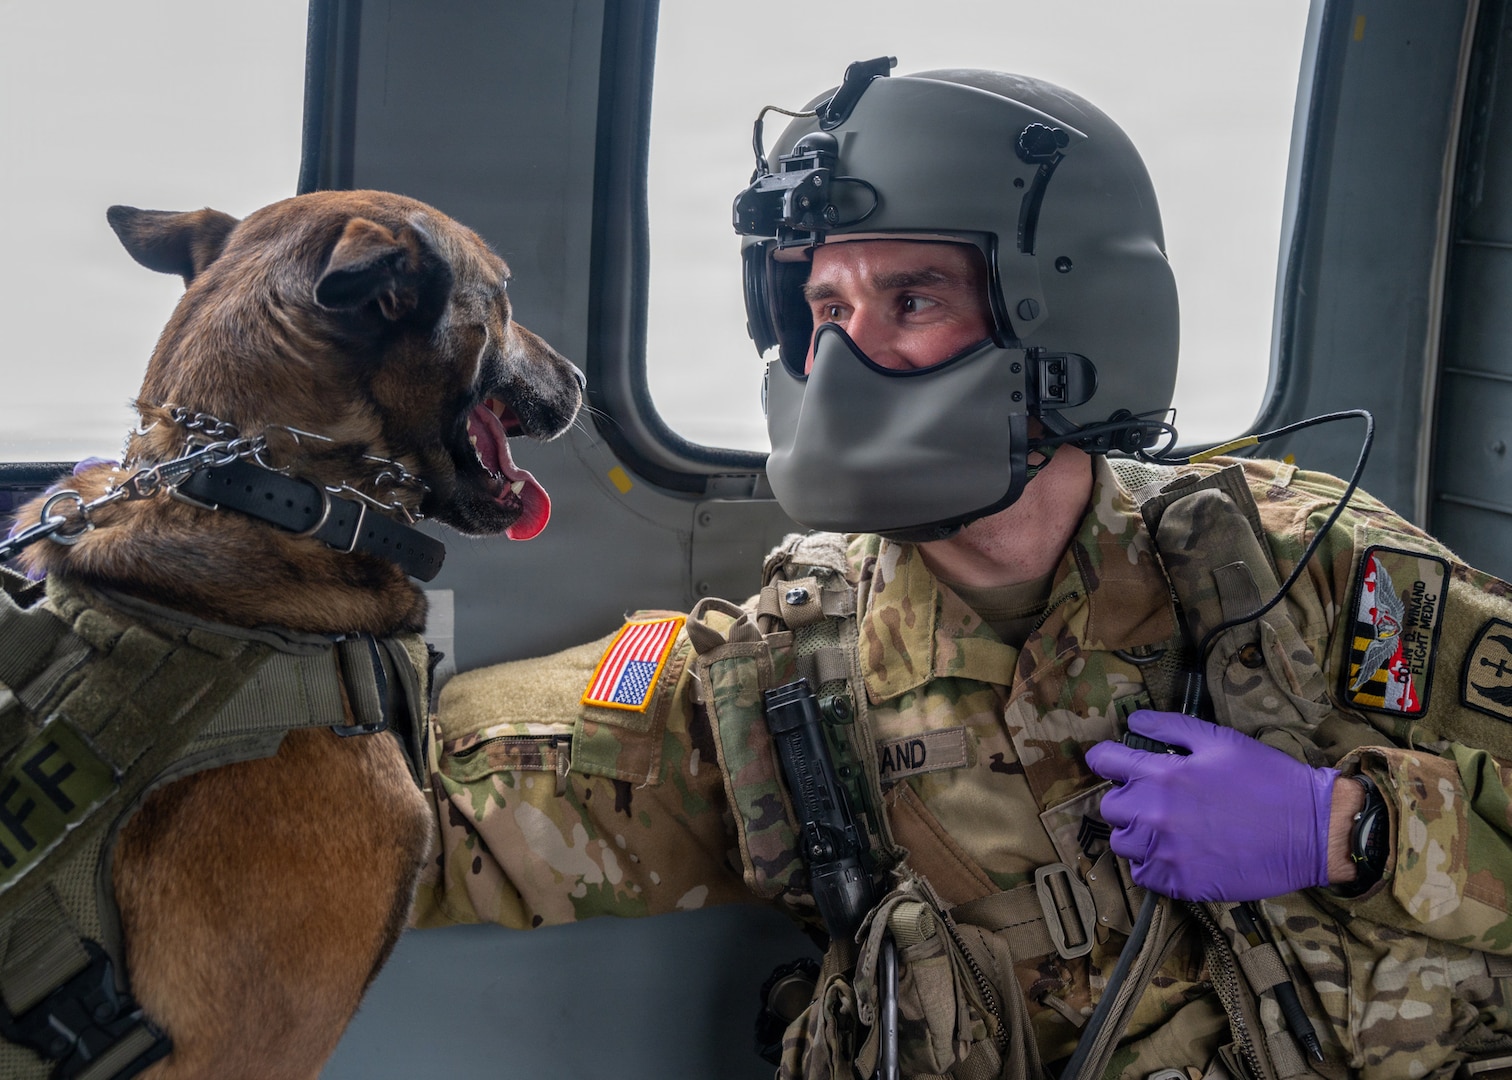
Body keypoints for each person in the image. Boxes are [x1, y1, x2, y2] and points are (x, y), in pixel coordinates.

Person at [411, 60, 1512, 1080]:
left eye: (914, 300)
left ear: (1069, 319)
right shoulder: (788, 682)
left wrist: (1350, 826)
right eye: (823, 309)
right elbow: (423, 825)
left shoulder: (1304, 566)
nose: (844, 358)